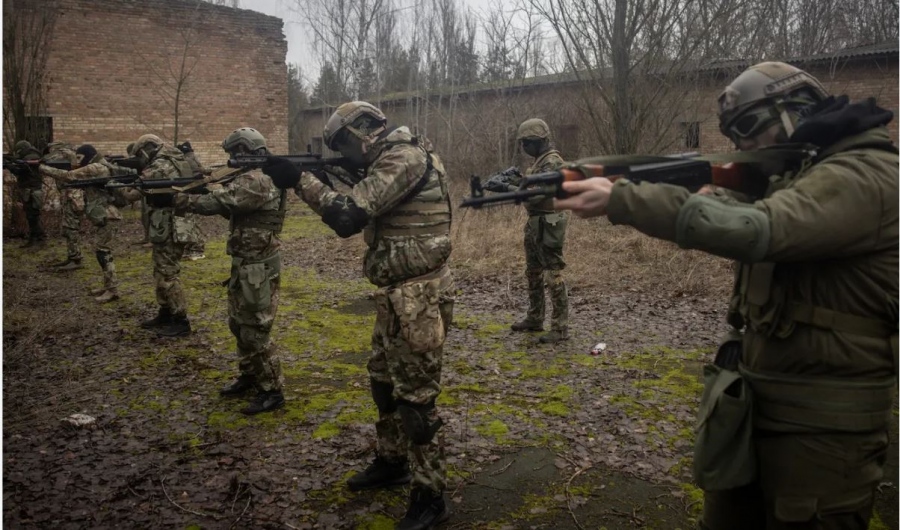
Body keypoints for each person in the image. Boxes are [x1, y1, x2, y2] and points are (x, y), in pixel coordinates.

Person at [554, 62, 898, 530]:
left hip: (826, 424)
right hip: (758, 400)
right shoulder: (798, 176)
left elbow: (761, 229)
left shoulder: (867, 174)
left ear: (798, 110)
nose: (744, 145)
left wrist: (625, 200)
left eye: (751, 126)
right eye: (734, 133)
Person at [263, 101, 454, 530]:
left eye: (344, 144)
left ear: (363, 130)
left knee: (417, 401)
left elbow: (348, 218)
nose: (346, 153)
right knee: (383, 383)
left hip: (419, 298)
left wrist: (302, 183)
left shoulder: (403, 158)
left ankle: (431, 494)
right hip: (396, 297)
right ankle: (392, 461)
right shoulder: (391, 158)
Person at [174, 128, 285, 415]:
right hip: (245, 264)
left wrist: (185, 200)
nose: (232, 159)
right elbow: (229, 204)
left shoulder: (259, 179)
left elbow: (223, 201)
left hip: (258, 267)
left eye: (235, 153)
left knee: (255, 330)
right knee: (238, 324)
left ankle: (272, 389)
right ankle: (250, 375)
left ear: (247, 150)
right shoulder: (248, 178)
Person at [484, 118, 570, 343]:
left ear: (536, 141)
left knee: (553, 274)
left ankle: (560, 328)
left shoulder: (552, 162)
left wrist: (507, 187)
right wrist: (518, 180)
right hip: (536, 221)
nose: (523, 148)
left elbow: (539, 193)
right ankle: (535, 317)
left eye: (525, 144)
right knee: (533, 272)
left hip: (549, 222)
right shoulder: (540, 162)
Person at [40, 145, 138, 302]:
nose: (78, 161)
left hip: (108, 216)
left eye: (79, 157)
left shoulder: (96, 167)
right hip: (104, 215)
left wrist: (43, 168)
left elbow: (69, 176)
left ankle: (112, 290)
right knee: (101, 252)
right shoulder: (99, 166)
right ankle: (108, 286)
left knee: (103, 252)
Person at [132, 134, 197, 337]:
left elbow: (133, 191)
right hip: (169, 222)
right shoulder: (175, 159)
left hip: (171, 223)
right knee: (161, 269)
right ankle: (166, 311)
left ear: (147, 149)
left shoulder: (163, 163)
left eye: (139, 154)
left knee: (168, 272)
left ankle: (180, 320)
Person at [44, 141, 83, 270]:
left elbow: (70, 175)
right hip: (68, 196)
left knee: (71, 228)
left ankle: (76, 259)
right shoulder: (67, 159)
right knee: (68, 228)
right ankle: (72, 256)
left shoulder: (72, 161)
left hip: (73, 197)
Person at [9, 140, 47, 248]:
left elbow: (22, 170)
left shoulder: (32, 156)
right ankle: (34, 239)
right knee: (31, 216)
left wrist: (11, 167)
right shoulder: (30, 155)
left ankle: (40, 239)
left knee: (33, 216)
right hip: (29, 189)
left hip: (32, 190)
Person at [177, 140, 207, 261]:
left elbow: (191, 177)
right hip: (194, 193)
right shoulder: (191, 158)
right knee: (190, 223)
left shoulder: (187, 160)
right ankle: (191, 248)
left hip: (193, 194)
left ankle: (197, 249)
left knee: (192, 223)